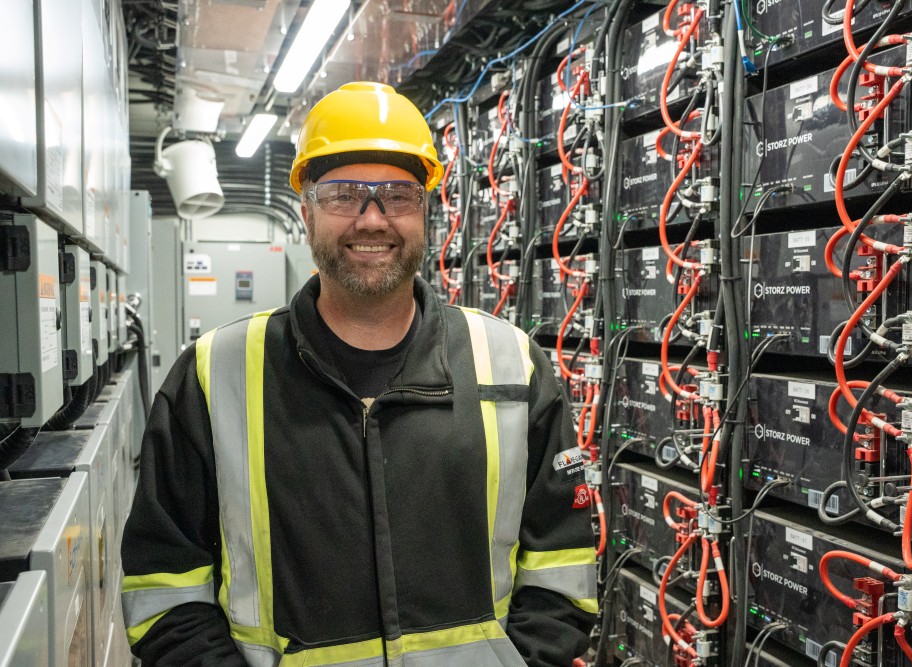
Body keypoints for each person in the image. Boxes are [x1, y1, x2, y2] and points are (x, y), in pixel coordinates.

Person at [120, 81, 597, 667]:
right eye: (345, 194)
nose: (372, 219)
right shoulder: (211, 377)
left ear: (426, 211)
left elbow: (563, 569)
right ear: (306, 211)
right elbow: (164, 590)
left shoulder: (512, 366)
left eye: (397, 196)